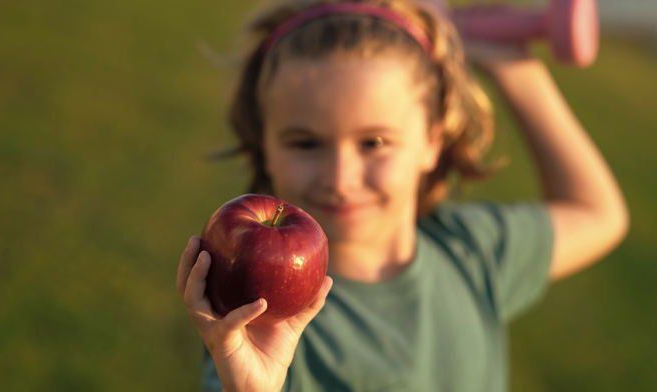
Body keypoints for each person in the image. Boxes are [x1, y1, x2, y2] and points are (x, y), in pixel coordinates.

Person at [176, 0, 629, 391]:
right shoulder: (267, 318)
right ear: (266, 145)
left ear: (434, 139)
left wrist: (518, 71)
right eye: (305, 143)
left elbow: (599, 213)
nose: (339, 176)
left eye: (373, 142)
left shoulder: (470, 252)